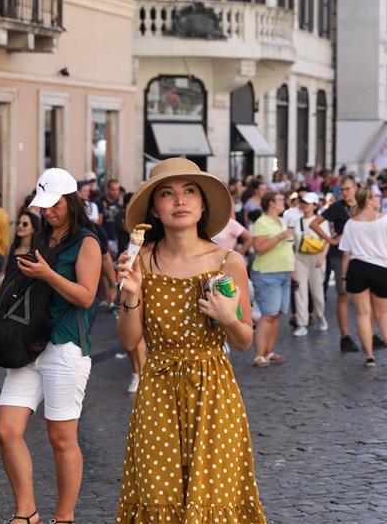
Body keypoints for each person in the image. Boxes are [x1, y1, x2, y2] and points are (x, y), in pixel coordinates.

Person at [114, 157, 265, 521]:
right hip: (158, 393)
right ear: (154, 207)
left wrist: (229, 318)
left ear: (202, 204)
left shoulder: (228, 261)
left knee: (214, 493)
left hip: (213, 391)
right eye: (167, 193)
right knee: (157, 489)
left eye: (189, 192)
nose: (179, 201)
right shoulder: (141, 262)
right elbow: (129, 339)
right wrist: (131, 292)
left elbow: (245, 340)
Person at [0, 168, 101, 524]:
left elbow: (86, 297)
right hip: (29, 344)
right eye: (43, 207)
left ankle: (65, 516)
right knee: (6, 429)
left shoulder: (88, 241)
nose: (47, 213)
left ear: (71, 202)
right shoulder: (42, 240)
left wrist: (48, 275)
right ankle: (26, 512)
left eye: (54, 205)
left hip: (66, 344)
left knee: (61, 438)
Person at [340, 187, 387, 367]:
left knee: (362, 314)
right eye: (377, 196)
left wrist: (344, 278)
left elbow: (346, 254)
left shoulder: (351, 223)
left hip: (357, 268)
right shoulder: (386, 220)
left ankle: (369, 356)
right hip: (380, 269)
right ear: (369, 200)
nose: (380, 199)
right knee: (383, 314)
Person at [311, 174, 361, 352]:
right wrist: (331, 240)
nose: (345, 192)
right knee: (343, 294)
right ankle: (344, 336)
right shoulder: (337, 207)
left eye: (348, 189)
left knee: (364, 295)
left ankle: (370, 334)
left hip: (361, 254)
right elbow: (314, 223)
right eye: (342, 190)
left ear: (356, 188)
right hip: (340, 255)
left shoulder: (362, 205)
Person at [250, 191, 295, 367]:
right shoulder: (262, 222)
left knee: (276, 316)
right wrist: (280, 236)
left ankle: (269, 352)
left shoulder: (280, 221)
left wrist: (292, 269)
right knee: (268, 316)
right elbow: (259, 248)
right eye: (280, 199)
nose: (284, 202)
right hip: (268, 274)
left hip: (283, 272)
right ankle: (259, 355)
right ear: (271, 203)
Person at [292, 192, 329, 335]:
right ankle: (302, 324)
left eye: (308, 203)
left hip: (316, 259)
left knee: (317, 292)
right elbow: (292, 244)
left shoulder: (322, 222)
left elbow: (326, 241)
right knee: (299, 291)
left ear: (314, 205)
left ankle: (320, 315)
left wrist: (322, 257)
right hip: (300, 258)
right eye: (303, 202)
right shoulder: (296, 221)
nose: (304, 205)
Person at [101, 179, 125, 257]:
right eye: (113, 189)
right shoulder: (101, 202)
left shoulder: (119, 204)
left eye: (117, 190)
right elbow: (99, 225)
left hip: (119, 240)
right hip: (106, 240)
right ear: (108, 189)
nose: (115, 192)